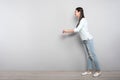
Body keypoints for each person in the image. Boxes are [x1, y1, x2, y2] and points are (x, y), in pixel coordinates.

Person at [62, 7, 101, 77]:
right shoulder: (80, 21)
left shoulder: (83, 20)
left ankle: (98, 71)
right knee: (88, 55)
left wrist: (66, 31)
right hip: (84, 40)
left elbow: (77, 30)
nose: (74, 13)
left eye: (75, 12)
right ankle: (89, 71)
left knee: (93, 55)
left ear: (79, 12)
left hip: (88, 39)